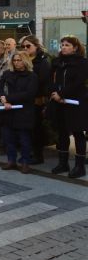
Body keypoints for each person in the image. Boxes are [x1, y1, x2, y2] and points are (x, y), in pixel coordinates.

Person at [49, 35, 88, 178]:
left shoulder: (82, 62)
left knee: (78, 133)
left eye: (67, 45)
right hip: (59, 102)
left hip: (75, 102)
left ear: (75, 48)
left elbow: (78, 82)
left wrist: (62, 94)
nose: (63, 47)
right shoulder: (58, 62)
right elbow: (52, 79)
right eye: (62, 45)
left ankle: (79, 166)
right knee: (62, 132)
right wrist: (55, 93)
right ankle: (63, 163)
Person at [0, 51, 38, 174]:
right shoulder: (8, 73)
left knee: (24, 140)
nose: (16, 63)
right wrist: (3, 99)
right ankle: (11, 161)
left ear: (25, 61)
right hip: (7, 111)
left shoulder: (32, 76)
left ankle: (25, 163)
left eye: (19, 60)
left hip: (23, 112)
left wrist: (9, 99)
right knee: (8, 139)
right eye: (14, 60)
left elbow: (29, 94)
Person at [21, 35, 51, 164]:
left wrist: (40, 97)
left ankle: (38, 156)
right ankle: (29, 153)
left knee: (36, 129)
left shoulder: (42, 61)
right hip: (24, 99)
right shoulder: (24, 59)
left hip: (36, 100)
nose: (25, 48)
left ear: (36, 46)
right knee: (26, 128)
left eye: (28, 45)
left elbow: (44, 82)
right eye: (23, 46)